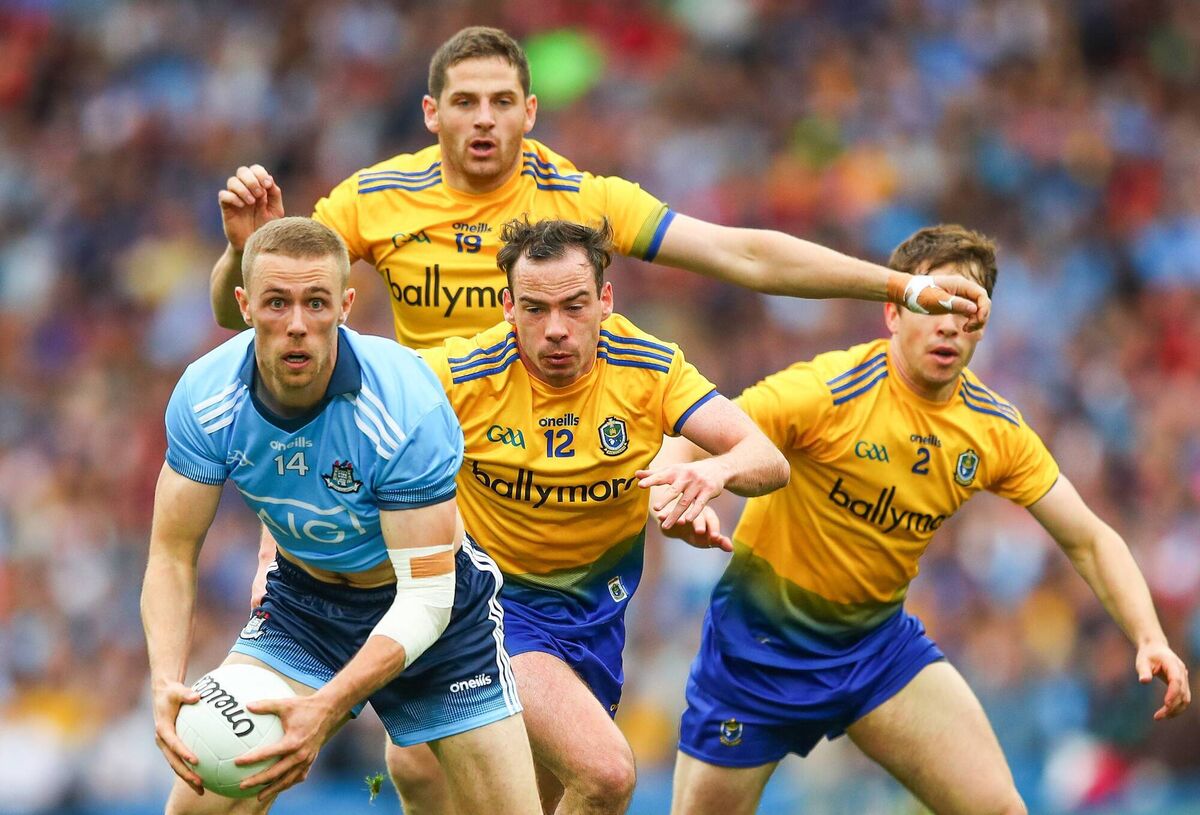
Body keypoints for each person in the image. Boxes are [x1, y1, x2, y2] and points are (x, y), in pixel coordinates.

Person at [212, 26, 989, 813]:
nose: (484, 120)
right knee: (564, 770)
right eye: (466, 102)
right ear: (430, 113)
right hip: (446, 509)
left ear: (531, 112)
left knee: (508, 785)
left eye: (502, 102)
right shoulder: (371, 204)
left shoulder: (587, 206)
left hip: (584, 576)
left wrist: (895, 286)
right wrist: (275, 539)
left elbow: (743, 255)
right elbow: (275, 325)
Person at [661, 224, 1192, 815]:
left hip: (876, 653)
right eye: (934, 303)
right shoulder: (827, 390)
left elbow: (1089, 538)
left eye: (967, 311)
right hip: (755, 655)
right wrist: (676, 494)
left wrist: (1149, 637)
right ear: (894, 311)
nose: (949, 324)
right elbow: (695, 427)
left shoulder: (994, 431)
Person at [141, 217, 541, 815]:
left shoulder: (405, 406)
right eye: (277, 303)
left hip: (437, 621)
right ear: (245, 306)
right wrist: (165, 683)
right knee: (197, 802)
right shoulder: (205, 397)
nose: (297, 325)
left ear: (346, 306)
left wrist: (326, 707)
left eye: (316, 302)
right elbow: (172, 555)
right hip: (305, 610)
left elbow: (427, 598)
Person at [412, 216, 789, 814]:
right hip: (492, 606)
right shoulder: (456, 376)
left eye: (574, 305)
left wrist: (711, 473)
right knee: (608, 773)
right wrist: (272, 553)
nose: (556, 329)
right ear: (508, 307)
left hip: (595, 620)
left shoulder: (649, 368)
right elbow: (347, 433)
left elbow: (766, 458)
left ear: (605, 300)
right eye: (535, 309)